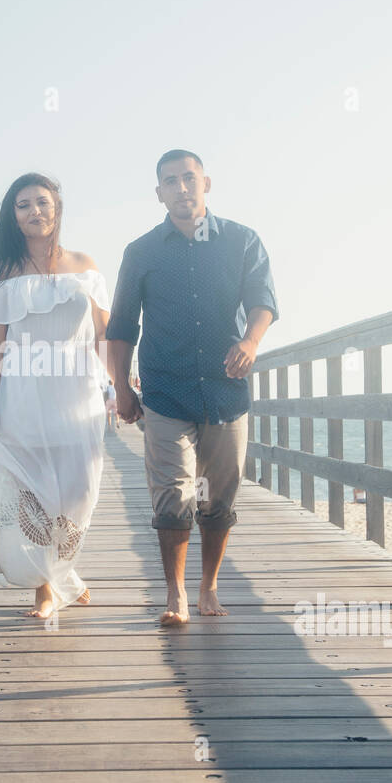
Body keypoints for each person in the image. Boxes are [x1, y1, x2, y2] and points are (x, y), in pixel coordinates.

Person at [106, 150, 278, 626]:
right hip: (164, 391)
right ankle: (175, 593)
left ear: (207, 183)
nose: (181, 188)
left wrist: (251, 340)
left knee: (218, 498)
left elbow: (264, 300)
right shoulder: (141, 252)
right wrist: (121, 388)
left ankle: (209, 586)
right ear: (158, 192)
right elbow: (120, 327)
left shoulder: (242, 241)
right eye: (170, 182)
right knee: (173, 493)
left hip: (227, 390)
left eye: (189, 179)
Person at [0, 172, 110, 619]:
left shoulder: (85, 265)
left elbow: (105, 337)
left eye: (41, 202)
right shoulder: (4, 273)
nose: (34, 212)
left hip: (77, 396)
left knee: (78, 491)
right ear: (14, 216)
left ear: (57, 208)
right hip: (23, 397)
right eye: (23, 205)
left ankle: (65, 572)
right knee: (37, 495)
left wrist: (120, 386)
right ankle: (45, 586)